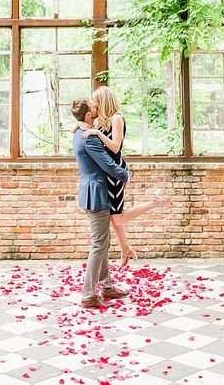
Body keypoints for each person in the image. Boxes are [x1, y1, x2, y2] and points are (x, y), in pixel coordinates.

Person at [80, 86, 171, 268]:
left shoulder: (117, 118)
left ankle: (154, 202)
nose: (94, 106)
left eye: (96, 101)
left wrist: (97, 133)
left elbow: (115, 147)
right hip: (106, 172)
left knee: (117, 218)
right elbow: (86, 130)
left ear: (103, 101)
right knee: (114, 216)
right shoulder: (99, 121)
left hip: (115, 171)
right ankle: (125, 249)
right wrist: (78, 124)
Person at [71, 96, 130, 309]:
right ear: (88, 114)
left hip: (88, 191)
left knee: (102, 242)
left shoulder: (79, 132)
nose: (97, 107)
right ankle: (88, 294)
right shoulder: (90, 138)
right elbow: (107, 164)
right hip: (97, 193)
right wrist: (126, 176)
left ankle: (106, 286)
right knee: (99, 244)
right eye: (94, 106)